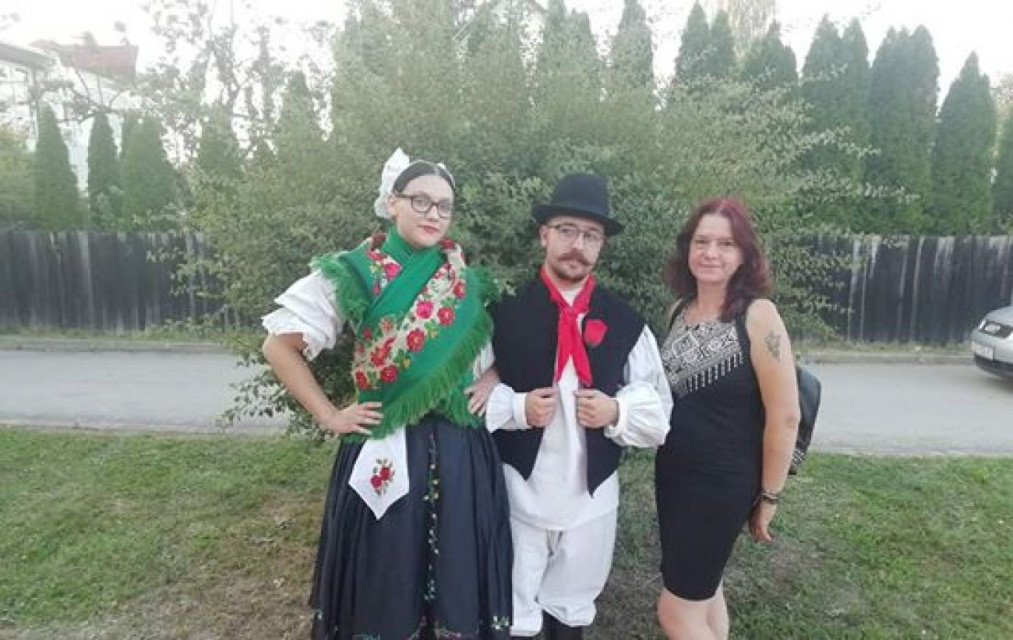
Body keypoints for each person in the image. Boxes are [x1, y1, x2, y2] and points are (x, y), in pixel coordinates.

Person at [261, 149, 512, 640]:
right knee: (386, 577)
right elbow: (278, 346)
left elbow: (499, 350)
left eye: (444, 205)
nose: (433, 214)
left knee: (456, 578)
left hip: (460, 452)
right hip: (386, 444)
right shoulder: (354, 271)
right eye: (420, 201)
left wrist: (493, 376)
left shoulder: (461, 277)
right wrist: (330, 415)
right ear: (391, 202)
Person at [485, 173, 673, 639]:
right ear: (544, 234)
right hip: (517, 493)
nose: (578, 245)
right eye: (567, 230)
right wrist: (518, 407)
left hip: (591, 499)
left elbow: (659, 410)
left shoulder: (625, 320)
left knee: (570, 614)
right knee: (512, 613)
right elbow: (463, 400)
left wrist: (617, 412)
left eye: (591, 235)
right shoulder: (502, 311)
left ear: (601, 245)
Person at [654, 198, 800, 639]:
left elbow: (786, 415)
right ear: (688, 248)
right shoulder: (677, 312)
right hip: (674, 477)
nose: (711, 253)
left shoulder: (758, 315)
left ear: (743, 255)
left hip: (721, 486)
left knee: (676, 613)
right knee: (705, 590)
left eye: (725, 243)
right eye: (701, 241)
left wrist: (769, 497)